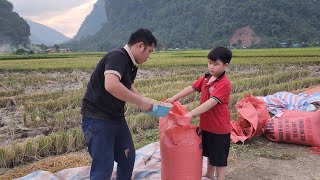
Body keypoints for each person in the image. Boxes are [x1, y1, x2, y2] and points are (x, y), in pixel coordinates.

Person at [81, 28, 157, 180]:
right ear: (140, 46)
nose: (149, 56)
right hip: (98, 118)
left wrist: (145, 100)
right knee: (104, 166)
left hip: (116, 117)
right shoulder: (118, 56)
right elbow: (111, 85)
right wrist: (141, 102)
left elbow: (127, 84)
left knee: (127, 158)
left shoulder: (130, 63)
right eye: (149, 51)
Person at [165, 47, 232, 180]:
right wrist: (173, 98)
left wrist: (190, 114)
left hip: (219, 128)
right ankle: (209, 174)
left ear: (225, 65)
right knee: (208, 152)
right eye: (209, 63)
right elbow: (191, 88)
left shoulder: (224, 83)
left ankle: (220, 178)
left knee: (219, 157)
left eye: (215, 64)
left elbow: (211, 102)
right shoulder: (206, 78)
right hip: (206, 125)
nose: (211, 67)